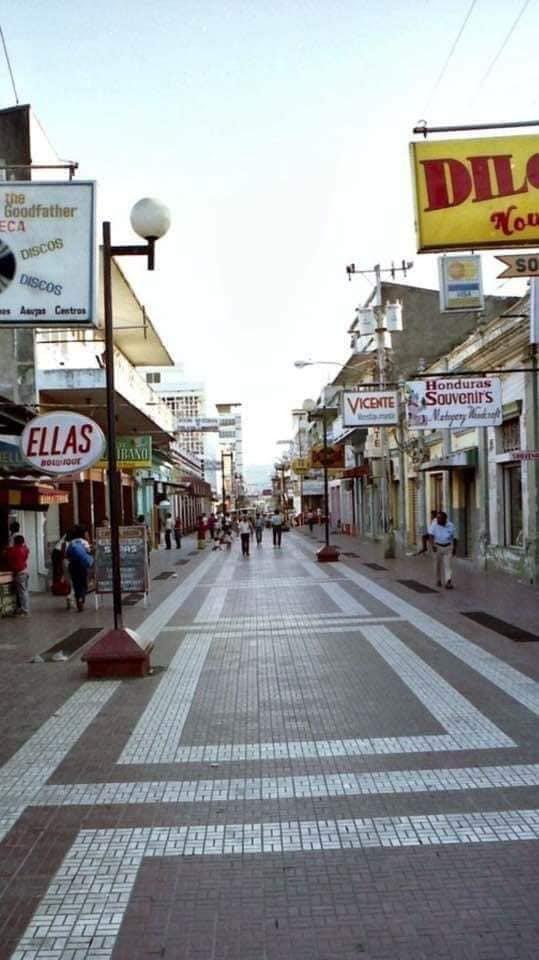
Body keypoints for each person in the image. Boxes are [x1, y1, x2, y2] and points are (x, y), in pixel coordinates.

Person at [66, 525, 93, 611]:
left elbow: (67, 554)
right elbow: (89, 552)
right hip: (82, 565)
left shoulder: (72, 542)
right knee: (83, 583)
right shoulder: (84, 542)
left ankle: (78, 599)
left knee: (76, 583)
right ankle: (81, 598)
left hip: (73, 565)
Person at [429, 511, 458, 589]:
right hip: (437, 546)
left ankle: (448, 581)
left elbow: (454, 537)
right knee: (437, 565)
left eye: (439, 519)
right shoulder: (434, 524)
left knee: (448, 565)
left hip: (448, 547)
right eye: (437, 518)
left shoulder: (451, 525)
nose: (437, 520)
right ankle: (438, 579)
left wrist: (454, 548)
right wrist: (432, 545)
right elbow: (431, 535)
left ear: (445, 519)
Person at [6, 534, 30, 616]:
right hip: (25, 571)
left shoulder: (13, 550)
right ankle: (24, 609)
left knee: (22, 593)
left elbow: (7, 555)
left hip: (19, 573)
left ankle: (24, 610)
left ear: (14, 542)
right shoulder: (25, 549)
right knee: (24, 592)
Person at [51, 533, 72, 608]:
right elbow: (64, 554)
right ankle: (59, 590)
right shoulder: (66, 543)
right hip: (58, 553)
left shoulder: (66, 539)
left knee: (59, 572)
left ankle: (60, 589)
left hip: (58, 553)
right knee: (59, 572)